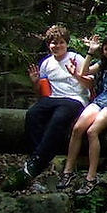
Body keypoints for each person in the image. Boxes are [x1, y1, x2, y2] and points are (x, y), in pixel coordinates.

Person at [62, 32, 107, 193]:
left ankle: (91, 177)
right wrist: (90, 52)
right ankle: (68, 171)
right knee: (78, 128)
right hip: (100, 100)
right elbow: (85, 72)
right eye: (106, 49)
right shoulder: (102, 63)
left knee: (92, 131)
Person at [23, 25, 90, 181]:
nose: (57, 46)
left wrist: (76, 74)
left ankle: (38, 161)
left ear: (66, 43)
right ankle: (40, 155)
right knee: (33, 114)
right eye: (54, 43)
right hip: (53, 98)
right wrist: (35, 82)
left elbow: (89, 84)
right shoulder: (46, 63)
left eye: (61, 42)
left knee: (59, 118)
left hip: (75, 98)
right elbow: (41, 94)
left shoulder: (76, 58)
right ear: (49, 45)